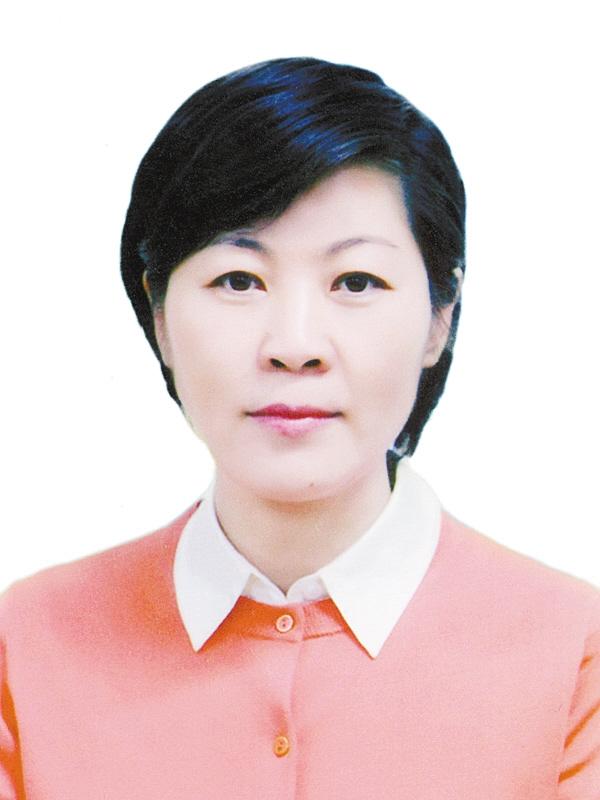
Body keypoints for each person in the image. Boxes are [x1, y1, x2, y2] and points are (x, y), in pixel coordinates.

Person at [1, 57, 598, 799]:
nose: (294, 344)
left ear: (439, 317)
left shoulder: (574, 656)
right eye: (238, 280)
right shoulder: (28, 643)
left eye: (357, 282)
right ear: (159, 316)